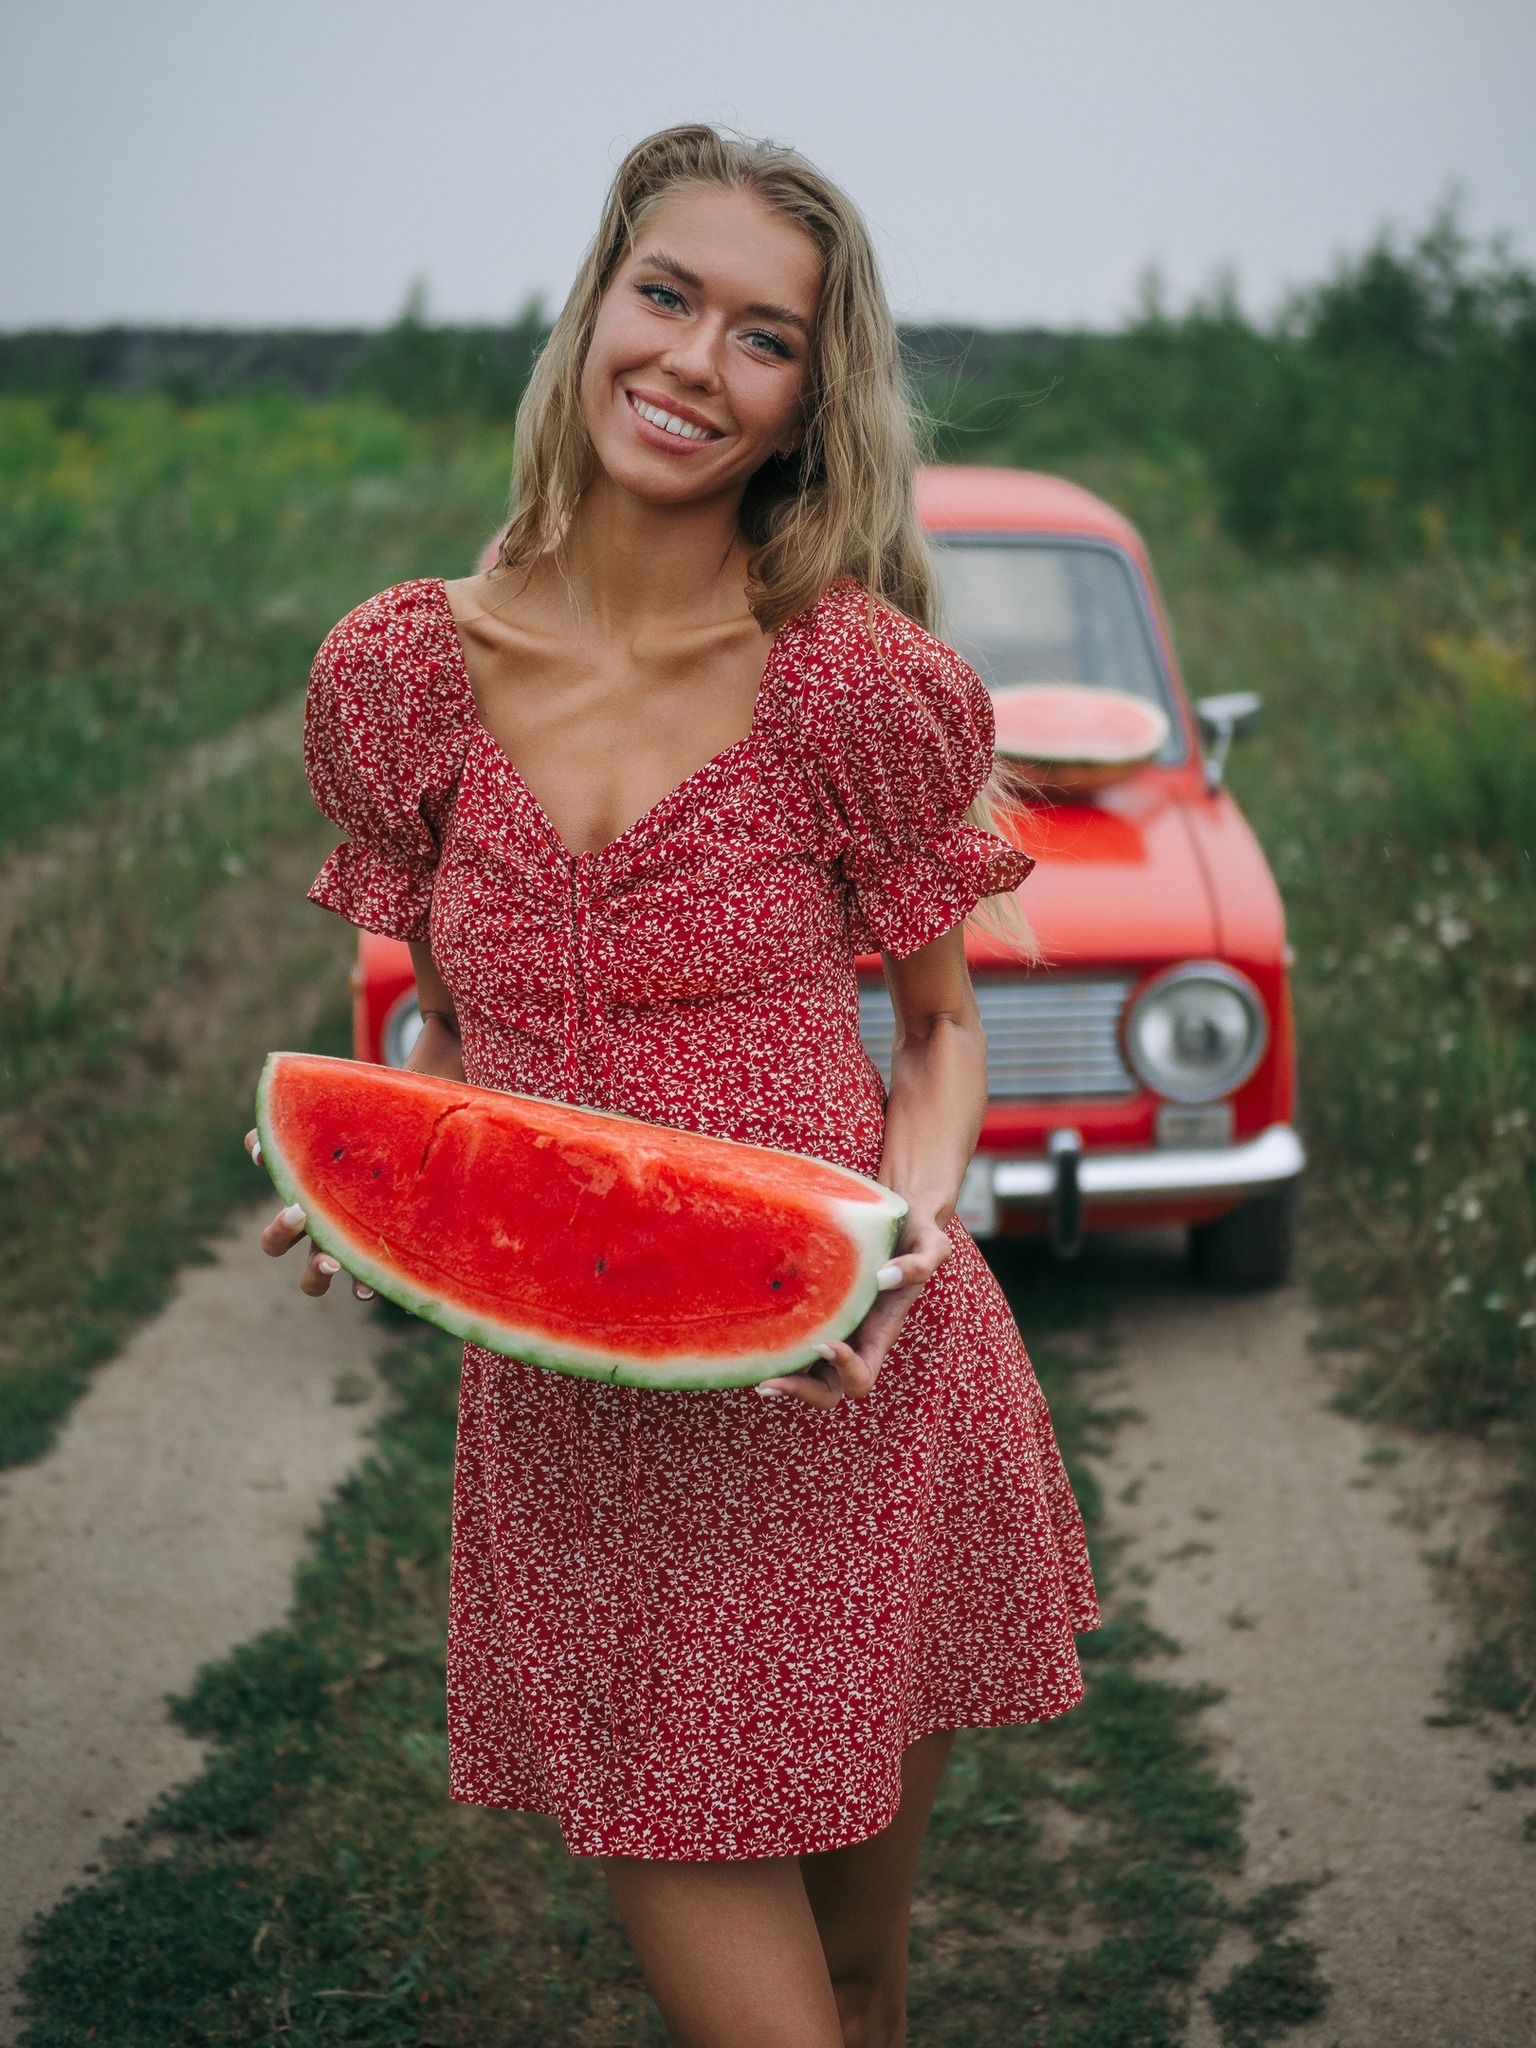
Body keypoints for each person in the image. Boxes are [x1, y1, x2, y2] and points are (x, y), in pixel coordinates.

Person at [255, 124, 1097, 2048]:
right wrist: (370, 1191)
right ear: (593, 313)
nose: (697, 363)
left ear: (810, 401)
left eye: (764, 337)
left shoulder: (854, 685)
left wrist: (896, 1239)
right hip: (574, 1418)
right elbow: (447, 1037)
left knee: (868, 1976)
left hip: (850, 1387)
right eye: (668, 297)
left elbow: (944, 1033)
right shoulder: (401, 676)